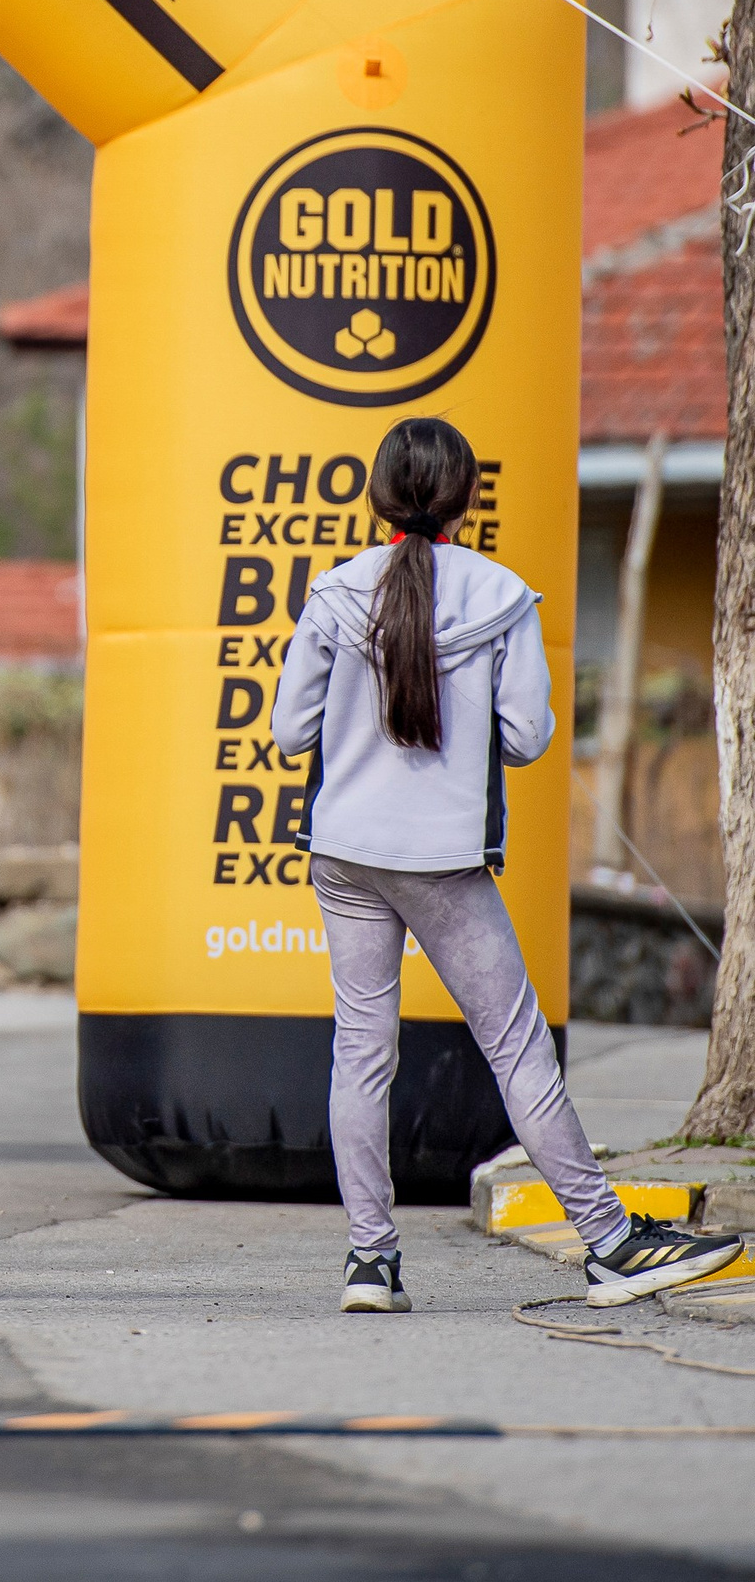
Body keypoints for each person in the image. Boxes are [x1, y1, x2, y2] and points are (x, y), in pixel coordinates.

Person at [273, 416, 742, 1313]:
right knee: (516, 1048)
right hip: (444, 863)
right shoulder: (502, 597)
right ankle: (609, 1242)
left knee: (361, 1055)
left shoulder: (332, 594)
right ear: (464, 497)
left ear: (378, 494)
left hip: (345, 855)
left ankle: (370, 1262)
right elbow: (526, 737)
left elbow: (291, 731)